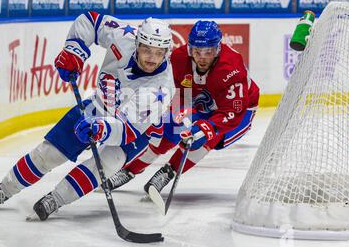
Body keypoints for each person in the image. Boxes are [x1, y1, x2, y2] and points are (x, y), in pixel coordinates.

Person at [0, 11, 175, 221]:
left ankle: (57, 199)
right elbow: (91, 21)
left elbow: (127, 131)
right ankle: (4, 189)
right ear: (137, 43)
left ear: (166, 53)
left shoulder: (161, 87)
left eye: (159, 52)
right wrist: (74, 50)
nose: (152, 58)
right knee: (48, 153)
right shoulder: (122, 36)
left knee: (109, 162)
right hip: (101, 106)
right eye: (147, 50)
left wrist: (101, 129)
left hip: (136, 129)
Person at [104, 20, 260, 197]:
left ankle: (167, 172)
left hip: (240, 112)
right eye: (197, 51)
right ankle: (130, 170)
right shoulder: (178, 59)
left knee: (207, 138)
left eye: (208, 52)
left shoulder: (231, 67)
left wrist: (206, 129)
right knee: (170, 128)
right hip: (197, 101)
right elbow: (171, 91)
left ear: (217, 49)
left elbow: (233, 112)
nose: (202, 57)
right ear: (189, 48)